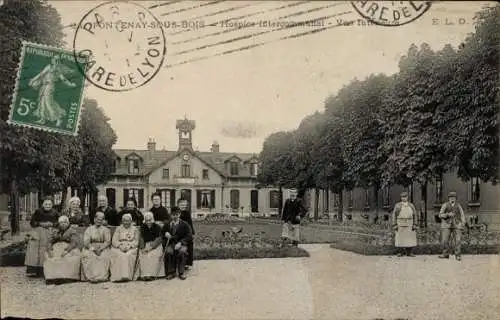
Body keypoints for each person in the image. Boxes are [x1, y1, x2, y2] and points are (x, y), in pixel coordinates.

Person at [25, 196, 59, 277]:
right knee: (35, 249)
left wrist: (52, 224)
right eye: (46, 204)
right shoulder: (38, 211)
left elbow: (58, 222)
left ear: (52, 205)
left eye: (49, 204)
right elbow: (32, 222)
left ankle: (48, 269)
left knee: (47, 249)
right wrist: (40, 224)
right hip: (38, 232)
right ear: (43, 204)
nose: (48, 205)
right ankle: (35, 270)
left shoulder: (55, 212)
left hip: (50, 232)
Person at [43, 215, 83, 285]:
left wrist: (67, 250)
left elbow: (74, 242)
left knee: (68, 258)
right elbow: (49, 241)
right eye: (61, 222)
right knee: (51, 258)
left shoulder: (72, 231)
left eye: (65, 222)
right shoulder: (55, 231)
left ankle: (67, 277)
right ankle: (53, 277)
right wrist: (49, 250)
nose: (63, 224)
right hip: (56, 247)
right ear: (59, 224)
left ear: (68, 223)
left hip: (69, 248)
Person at [161, 207, 193, 280]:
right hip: (171, 244)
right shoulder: (167, 224)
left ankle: (181, 272)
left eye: (177, 214)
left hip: (181, 244)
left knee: (182, 251)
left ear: (179, 214)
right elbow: (161, 233)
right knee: (168, 252)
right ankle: (171, 272)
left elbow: (189, 236)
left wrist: (181, 243)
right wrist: (165, 233)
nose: (175, 216)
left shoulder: (185, 224)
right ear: (170, 215)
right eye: (173, 215)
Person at [81, 211, 112, 283]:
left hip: (103, 247)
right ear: (94, 219)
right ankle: (91, 277)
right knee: (90, 255)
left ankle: (102, 277)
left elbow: (107, 241)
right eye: (97, 219)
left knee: (104, 256)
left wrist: (100, 249)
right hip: (91, 246)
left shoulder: (106, 230)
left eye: (101, 220)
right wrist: (93, 249)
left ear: (103, 220)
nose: (99, 221)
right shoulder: (89, 229)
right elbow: (86, 242)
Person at [109, 214, 140, 282]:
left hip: (131, 246)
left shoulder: (135, 229)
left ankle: (128, 276)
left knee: (128, 255)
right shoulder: (118, 228)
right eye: (124, 220)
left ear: (131, 221)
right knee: (119, 255)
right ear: (122, 221)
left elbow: (136, 241)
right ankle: (118, 277)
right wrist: (120, 246)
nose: (126, 222)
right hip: (120, 246)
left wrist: (129, 246)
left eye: (128, 220)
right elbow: (114, 240)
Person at [438, 191, 466, 261]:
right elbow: (440, 215)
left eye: (454, 197)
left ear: (456, 198)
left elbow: (462, 215)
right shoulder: (445, 205)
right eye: (451, 197)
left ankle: (458, 255)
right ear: (449, 198)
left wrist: (463, 223)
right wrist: (447, 214)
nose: (452, 199)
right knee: (444, 240)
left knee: (458, 240)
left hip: (456, 224)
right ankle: (445, 254)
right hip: (446, 225)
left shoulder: (458, 205)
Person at [138, 212, 165, 281]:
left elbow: (159, 239)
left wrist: (150, 248)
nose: (148, 222)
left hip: (155, 245)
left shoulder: (157, 227)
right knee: (143, 255)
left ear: (152, 219)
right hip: (146, 245)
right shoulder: (142, 227)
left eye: (150, 220)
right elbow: (141, 238)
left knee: (152, 255)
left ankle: (152, 274)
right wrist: (142, 248)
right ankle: (145, 275)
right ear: (145, 220)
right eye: (147, 220)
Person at [391, 192, 418, 257]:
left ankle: (409, 252)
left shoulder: (411, 205)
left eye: (405, 197)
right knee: (400, 238)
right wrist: (394, 224)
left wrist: (415, 224)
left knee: (410, 238)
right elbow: (394, 215)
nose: (404, 198)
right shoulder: (397, 205)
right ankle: (400, 252)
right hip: (400, 223)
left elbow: (415, 215)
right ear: (401, 198)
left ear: (407, 197)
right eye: (402, 197)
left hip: (409, 223)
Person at [178, 199, 195, 270]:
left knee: (189, 245)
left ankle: (187, 263)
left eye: (184, 205)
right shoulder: (177, 213)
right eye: (181, 205)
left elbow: (190, 224)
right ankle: (179, 263)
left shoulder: (187, 213)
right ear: (178, 205)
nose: (183, 206)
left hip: (187, 232)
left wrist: (193, 233)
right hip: (179, 233)